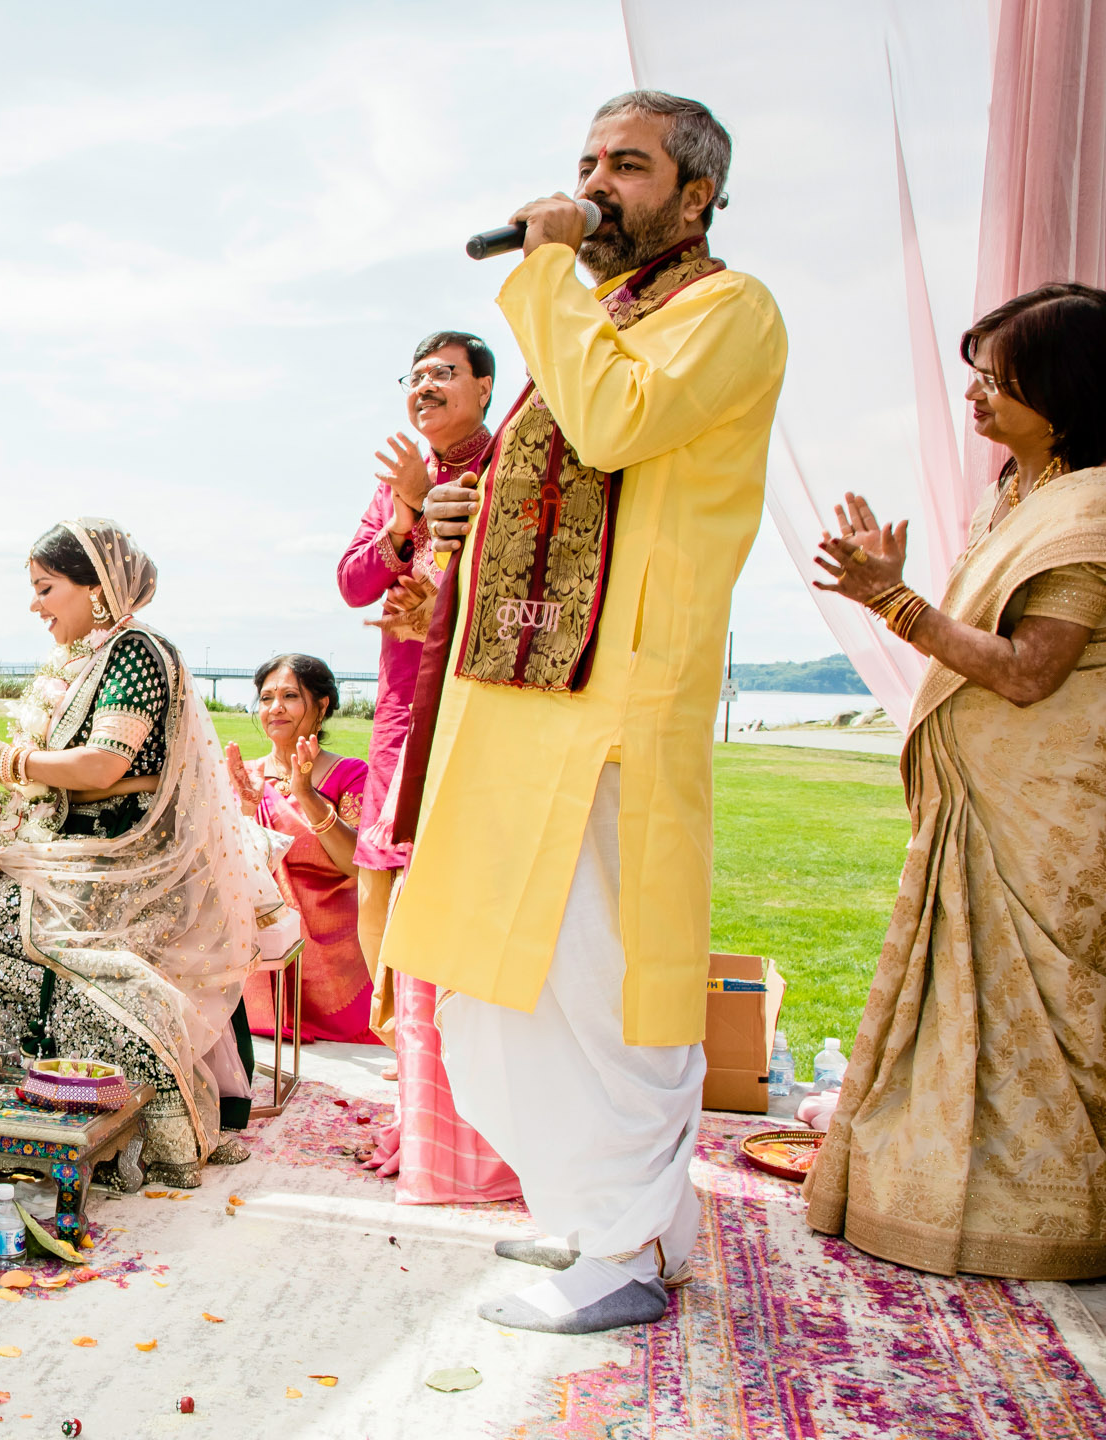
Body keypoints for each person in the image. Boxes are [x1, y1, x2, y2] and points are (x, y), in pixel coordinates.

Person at [385, 91, 787, 1332]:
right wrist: (461, 538)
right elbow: (558, 485)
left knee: (605, 978)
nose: (596, 181)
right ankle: (611, 1218)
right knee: (504, 973)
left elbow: (616, 424)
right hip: (520, 700)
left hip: (619, 701)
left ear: (698, 194)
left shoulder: (729, 308)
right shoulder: (596, 316)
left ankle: (618, 1256)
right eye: (585, 162)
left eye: (628, 164)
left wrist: (550, 260)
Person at [803, 283, 1106, 1281]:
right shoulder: (1017, 497)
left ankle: (1037, 1222)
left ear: (1063, 389)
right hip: (984, 806)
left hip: (1046, 818)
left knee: (1042, 1024)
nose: (975, 394)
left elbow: (1028, 672)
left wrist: (890, 598)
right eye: (975, 372)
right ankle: (927, 1196)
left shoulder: (1090, 511)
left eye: (998, 376)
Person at [0, 520, 292, 1187]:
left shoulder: (136, 653)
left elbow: (102, 766)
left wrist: (2, 758)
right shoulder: (90, 657)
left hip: (123, 861)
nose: (36, 605)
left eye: (46, 588)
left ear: (97, 589)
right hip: (76, 848)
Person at [337, 330, 520, 1204]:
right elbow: (353, 584)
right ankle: (412, 1087)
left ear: (486, 387)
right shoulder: (394, 487)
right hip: (401, 715)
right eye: (414, 376)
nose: (424, 388)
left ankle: (472, 1108)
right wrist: (406, 513)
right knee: (377, 897)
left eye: (444, 374)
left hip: (478, 716)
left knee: (446, 906)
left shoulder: (511, 463)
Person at [224, 654, 374, 1044]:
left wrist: (306, 794)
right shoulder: (246, 777)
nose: (275, 708)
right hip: (261, 955)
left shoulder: (351, 774)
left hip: (334, 965)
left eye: (290, 696)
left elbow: (357, 864)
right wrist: (242, 810)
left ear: (321, 705)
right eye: (266, 697)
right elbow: (225, 868)